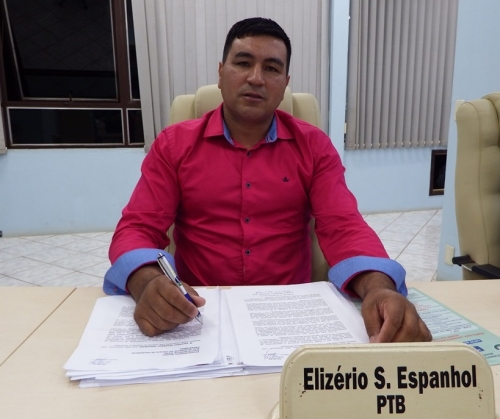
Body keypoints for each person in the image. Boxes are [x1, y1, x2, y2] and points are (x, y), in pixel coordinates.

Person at [104, 17, 431, 343]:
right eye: (243, 63)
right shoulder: (174, 145)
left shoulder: (313, 146)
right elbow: (138, 228)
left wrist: (378, 288)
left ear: (285, 82)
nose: (256, 78)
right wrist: (147, 282)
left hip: (290, 314)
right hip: (199, 312)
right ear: (221, 73)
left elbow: (343, 226)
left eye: (272, 68)